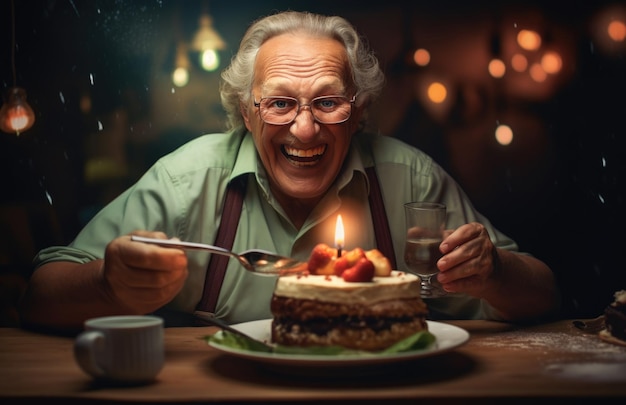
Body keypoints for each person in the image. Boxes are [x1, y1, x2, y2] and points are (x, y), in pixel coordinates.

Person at [18, 10, 560, 334]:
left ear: (360, 112)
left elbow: (544, 294)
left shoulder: (409, 177)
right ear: (246, 114)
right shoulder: (187, 177)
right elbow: (39, 296)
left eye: (328, 103)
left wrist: (494, 274)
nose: (305, 130)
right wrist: (108, 287)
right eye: (279, 103)